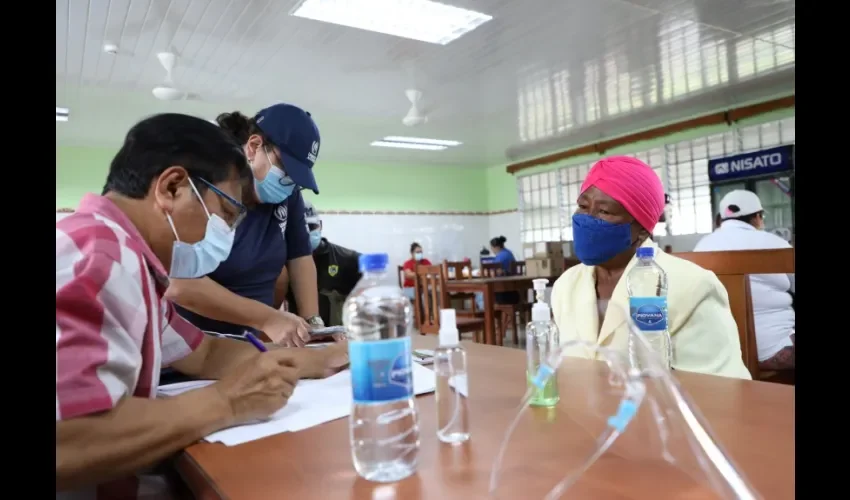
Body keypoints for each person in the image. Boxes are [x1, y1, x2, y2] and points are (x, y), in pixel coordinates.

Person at [56, 114, 348, 498]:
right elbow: (68, 440)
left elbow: (205, 351)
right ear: (172, 187)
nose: (226, 235)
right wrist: (226, 402)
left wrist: (322, 358)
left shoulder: (133, 266)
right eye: (226, 214)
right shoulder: (98, 255)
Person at [549, 155, 751, 379]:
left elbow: (721, 388)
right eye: (583, 206)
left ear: (642, 229)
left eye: (604, 211)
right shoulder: (566, 285)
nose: (587, 219)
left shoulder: (692, 286)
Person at [167, 104, 326, 348]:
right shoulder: (204, 189)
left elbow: (300, 257)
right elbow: (178, 282)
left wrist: (312, 324)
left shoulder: (286, 195)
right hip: (190, 344)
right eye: (286, 172)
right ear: (253, 146)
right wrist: (268, 319)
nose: (290, 185)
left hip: (248, 342)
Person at [693, 190, 795, 371]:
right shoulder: (774, 243)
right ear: (757, 217)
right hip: (776, 349)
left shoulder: (701, 247)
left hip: (720, 351)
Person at [284, 200, 362, 326]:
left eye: (310, 227)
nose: (304, 234)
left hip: (340, 336)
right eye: (297, 230)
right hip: (301, 336)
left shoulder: (349, 259)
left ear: (320, 225)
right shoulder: (281, 264)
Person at [474, 236, 519, 310]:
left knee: (480, 292)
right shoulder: (509, 253)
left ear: (495, 247)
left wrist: (481, 272)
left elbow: (493, 272)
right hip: (512, 289)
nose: (492, 251)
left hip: (502, 290)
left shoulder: (500, 256)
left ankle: (485, 314)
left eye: (491, 248)